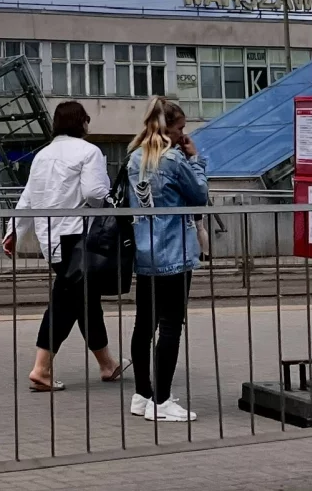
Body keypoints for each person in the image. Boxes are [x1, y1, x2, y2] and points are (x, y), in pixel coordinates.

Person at [3, 101, 129, 392]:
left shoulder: (42, 155)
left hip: (51, 239)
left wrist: (13, 231)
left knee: (85, 302)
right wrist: (115, 205)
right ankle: (41, 369)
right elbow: (95, 193)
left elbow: (28, 198)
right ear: (82, 123)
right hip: (79, 239)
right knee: (66, 302)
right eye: (87, 121)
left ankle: (107, 364)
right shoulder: (89, 152)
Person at [127, 97, 208, 422]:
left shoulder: (134, 159)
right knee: (171, 326)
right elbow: (199, 196)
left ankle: (142, 394)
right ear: (167, 127)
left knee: (143, 324)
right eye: (180, 128)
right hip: (174, 252)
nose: (182, 134)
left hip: (144, 251)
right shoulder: (174, 160)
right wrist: (197, 160)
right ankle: (161, 401)